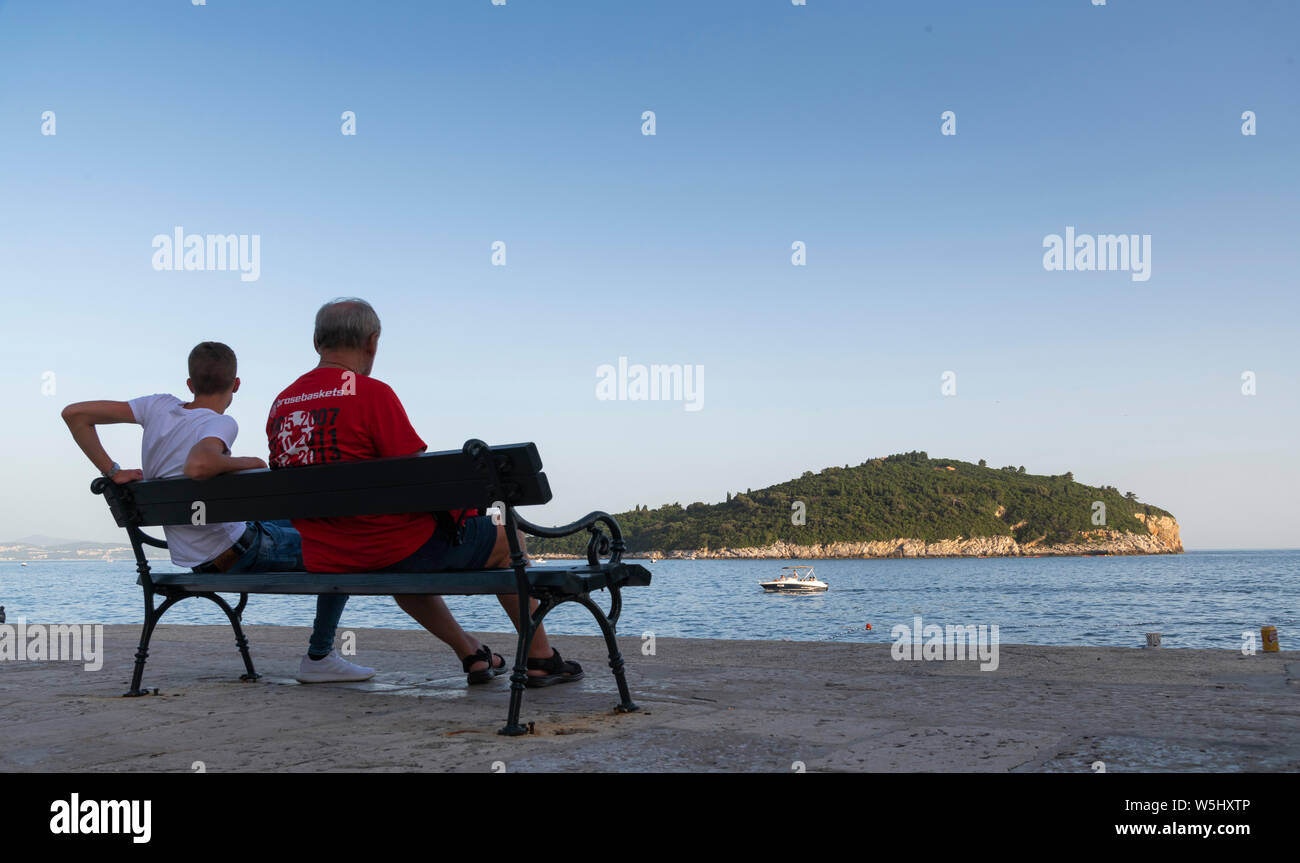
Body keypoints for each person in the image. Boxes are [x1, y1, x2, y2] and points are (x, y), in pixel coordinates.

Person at [266, 298, 582, 686]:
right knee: (507, 540)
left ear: (316, 340)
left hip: (326, 553)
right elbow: (421, 481)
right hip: (387, 548)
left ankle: (471, 653)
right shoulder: (371, 394)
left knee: (404, 560)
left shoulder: (282, 404)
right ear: (372, 342)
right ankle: (540, 657)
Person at [62, 341, 374, 683]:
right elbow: (199, 465)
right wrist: (249, 463)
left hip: (201, 552)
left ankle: (321, 654)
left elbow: (74, 414)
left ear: (190, 384)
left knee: (316, 521)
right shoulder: (220, 424)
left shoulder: (157, 406)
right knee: (344, 544)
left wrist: (113, 471)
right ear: (236, 384)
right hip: (236, 552)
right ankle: (320, 657)